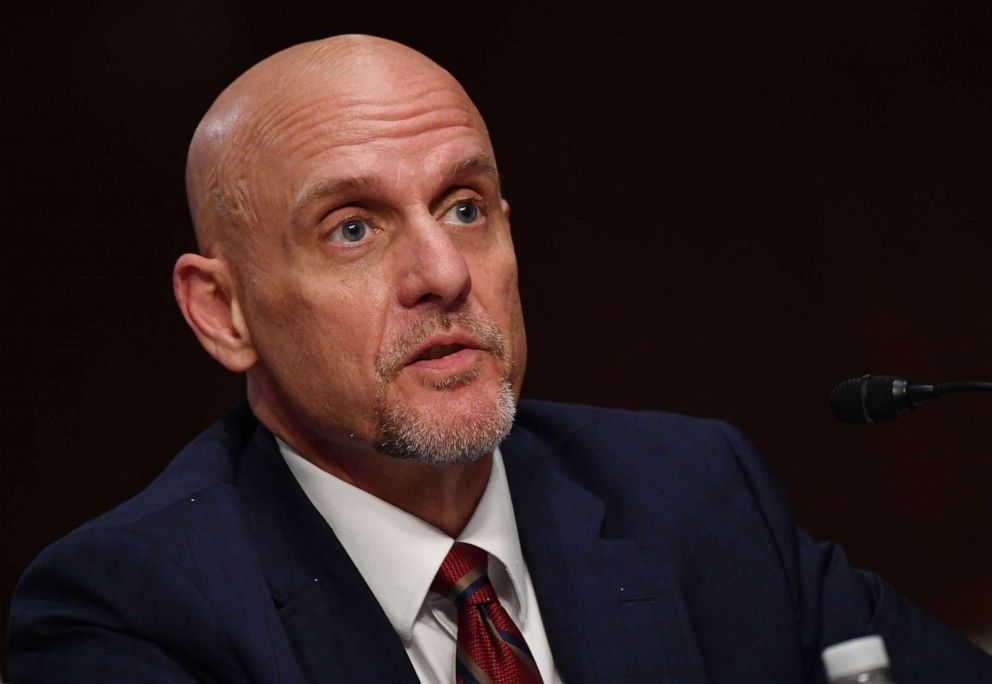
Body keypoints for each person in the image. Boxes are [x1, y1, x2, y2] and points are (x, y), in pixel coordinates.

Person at [7, 34, 992, 683]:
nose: (441, 272)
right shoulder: (130, 614)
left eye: (464, 208)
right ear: (223, 312)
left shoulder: (693, 492)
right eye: (352, 229)